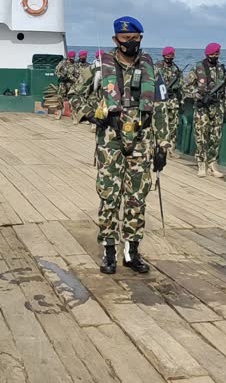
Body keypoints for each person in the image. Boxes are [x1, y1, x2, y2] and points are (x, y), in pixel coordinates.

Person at [69, 16, 161, 275]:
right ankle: (109, 251)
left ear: (140, 38)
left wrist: (163, 145)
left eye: (133, 39)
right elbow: (74, 94)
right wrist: (93, 114)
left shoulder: (151, 67)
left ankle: (132, 252)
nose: (129, 43)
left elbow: (162, 107)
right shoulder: (100, 67)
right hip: (110, 140)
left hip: (142, 142)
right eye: (124, 39)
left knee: (137, 198)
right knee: (109, 197)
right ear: (115, 40)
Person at [185, 42, 226, 178]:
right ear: (207, 54)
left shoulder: (222, 70)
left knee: (215, 137)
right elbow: (186, 87)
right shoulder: (198, 68)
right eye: (212, 54)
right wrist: (198, 95)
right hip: (202, 108)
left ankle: (212, 163)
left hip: (217, 107)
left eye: (217, 54)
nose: (215, 56)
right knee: (201, 136)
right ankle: (201, 163)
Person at [154, 46, 184, 158]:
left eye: (171, 55)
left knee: (173, 126)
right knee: (160, 124)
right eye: (168, 55)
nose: (170, 57)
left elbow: (182, 85)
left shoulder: (176, 69)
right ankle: (158, 146)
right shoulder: (157, 67)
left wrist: (182, 100)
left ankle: (171, 149)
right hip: (160, 101)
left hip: (173, 101)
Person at [53, 50, 78, 120]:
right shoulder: (63, 63)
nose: (72, 59)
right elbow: (56, 70)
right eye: (71, 57)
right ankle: (59, 112)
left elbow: (77, 75)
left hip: (71, 84)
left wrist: (73, 78)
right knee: (60, 98)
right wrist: (60, 76)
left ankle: (73, 114)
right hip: (62, 84)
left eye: (73, 57)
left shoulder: (75, 64)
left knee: (72, 99)